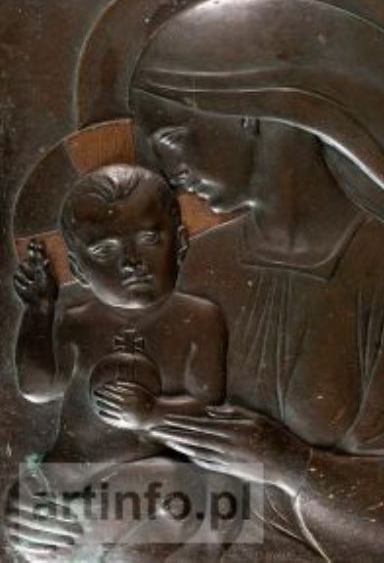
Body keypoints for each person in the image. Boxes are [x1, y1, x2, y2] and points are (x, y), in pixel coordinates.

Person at [129, 0, 384, 561]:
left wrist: (290, 465)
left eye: (171, 138)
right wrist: (60, 507)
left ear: (246, 110)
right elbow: (142, 454)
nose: (168, 173)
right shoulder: (199, 264)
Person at [8, 164, 230, 560]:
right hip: (67, 475)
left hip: (146, 484)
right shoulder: (77, 322)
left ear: (180, 243)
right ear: (79, 270)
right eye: (104, 250)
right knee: (36, 511)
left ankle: (80, 529)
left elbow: (208, 408)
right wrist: (39, 311)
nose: (132, 261)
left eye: (149, 239)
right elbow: (38, 388)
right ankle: (67, 529)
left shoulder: (199, 319)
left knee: (173, 480)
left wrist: (153, 413)